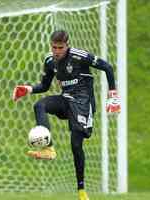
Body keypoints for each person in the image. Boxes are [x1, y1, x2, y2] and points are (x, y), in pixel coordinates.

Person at [12, 30, 120, 200]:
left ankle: (82, 191)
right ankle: (48, 148)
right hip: (66, 99)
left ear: (67, 45)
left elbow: (107, 67)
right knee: (40, 105)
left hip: (83, 103)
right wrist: (28, 89)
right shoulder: (50, 61)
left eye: (60, 47)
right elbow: (45, 86)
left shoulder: (79, 56)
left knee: (76, 145)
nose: (56, 51)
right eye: (54, 47)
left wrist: (113, 95)